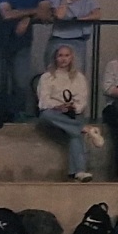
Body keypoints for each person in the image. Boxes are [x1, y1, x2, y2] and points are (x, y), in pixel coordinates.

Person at [35, 43, 100, 181]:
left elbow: (82, 100)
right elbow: (43, 101)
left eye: (66, 55)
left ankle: (79, 172)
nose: (63, 59)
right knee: (46, 115)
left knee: (75, 132)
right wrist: (59, 106)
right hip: (53, 114)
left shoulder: (79, 77)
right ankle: (84, 128)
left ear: (71, 58)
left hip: (71, 114)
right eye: (60, 56)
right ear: (55, 58)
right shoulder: (46, 77)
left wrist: (72, 107)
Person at [0, 0, 50, 119]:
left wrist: (26, 19)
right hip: (0, 43)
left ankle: (18, 117)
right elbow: (7, 14)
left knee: (21, 82)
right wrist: (30, 13)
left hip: (22, 44)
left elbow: (45, 13)